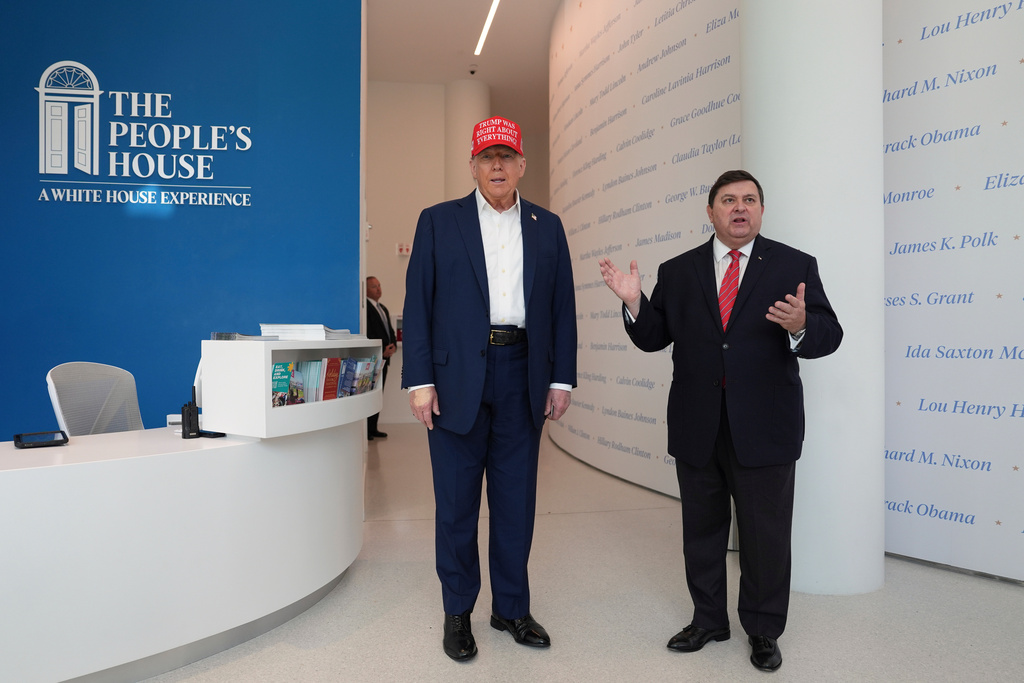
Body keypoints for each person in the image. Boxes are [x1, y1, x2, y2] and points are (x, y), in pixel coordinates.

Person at [599, 169, 842, 673]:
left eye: (749, 200)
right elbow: (653, 337)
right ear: (709, 212)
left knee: (764, 535)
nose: (739, 208)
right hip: (698, 423)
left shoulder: (794, 265)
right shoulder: (680, 270)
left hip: (765, 426)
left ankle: (763, 629)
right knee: (702, 531)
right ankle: (708, 619)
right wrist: (633, 303)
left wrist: (801, 326)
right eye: (728, 200)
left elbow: (829, 333)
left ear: (760, 210)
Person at [402, 116, 577, 662]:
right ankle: (458, 610)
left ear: (523, 164)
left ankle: (511, 609)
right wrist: (420, 380)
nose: (497, 165)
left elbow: (562, 309)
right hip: (455, 382)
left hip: (523, 373)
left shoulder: (547, 227)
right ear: (472, 166)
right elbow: (419, 305)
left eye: (506, 156)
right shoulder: (438, 222)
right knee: (455, 504)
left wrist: (561, 377)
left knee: (515, 503)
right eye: (486, 157)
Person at [365, 276, 397, 439]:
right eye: (373, 286)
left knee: (378, 393)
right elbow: (369, 333)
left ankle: (373, 428)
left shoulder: (382, 308)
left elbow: (389, 331)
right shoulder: (366, 309)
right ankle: (367, 430)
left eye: (379, 285)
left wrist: (393, 346)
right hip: (374, 358)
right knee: (370, 393)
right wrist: (381, 350)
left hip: (385, 358)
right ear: (365, 289)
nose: (378, 289)